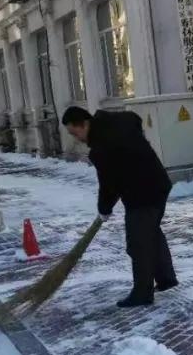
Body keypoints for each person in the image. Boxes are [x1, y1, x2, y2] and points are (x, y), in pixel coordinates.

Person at [61, 106, 176, 308]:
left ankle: (142, 293)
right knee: (150, 232)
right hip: (158, 184)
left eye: (74, 132)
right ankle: (166, 279)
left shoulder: (101, 147)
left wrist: (104, 209)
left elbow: (108, 184)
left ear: (85, 123)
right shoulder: (117, 123)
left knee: (138, 243)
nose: (76, 138)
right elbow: (134, 122)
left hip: (142, 194)